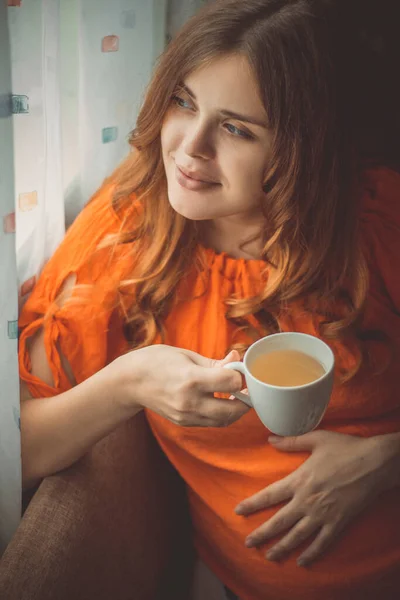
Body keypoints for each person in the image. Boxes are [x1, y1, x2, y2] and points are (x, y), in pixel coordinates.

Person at [19, 0, 400, 598]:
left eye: (236, 128)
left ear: (300, 149)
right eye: (184, 103)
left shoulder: (377, 224)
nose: (189, 147)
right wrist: (130, 380)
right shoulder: (124, 240)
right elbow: (21, 447)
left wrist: (387, 462)